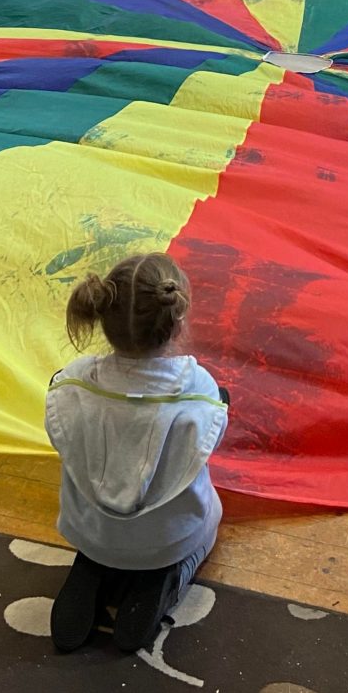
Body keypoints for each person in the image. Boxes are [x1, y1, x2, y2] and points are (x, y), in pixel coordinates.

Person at [45, 253, 228, 654]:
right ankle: (165, 579)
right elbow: (208, 439)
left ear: (102, 319)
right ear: (178, 322)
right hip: (166, 539)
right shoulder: (200, 389)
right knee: (213, 514)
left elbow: (58, 431)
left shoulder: (70, 384)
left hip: (90, 531)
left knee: (101, 537)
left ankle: (95, 564)